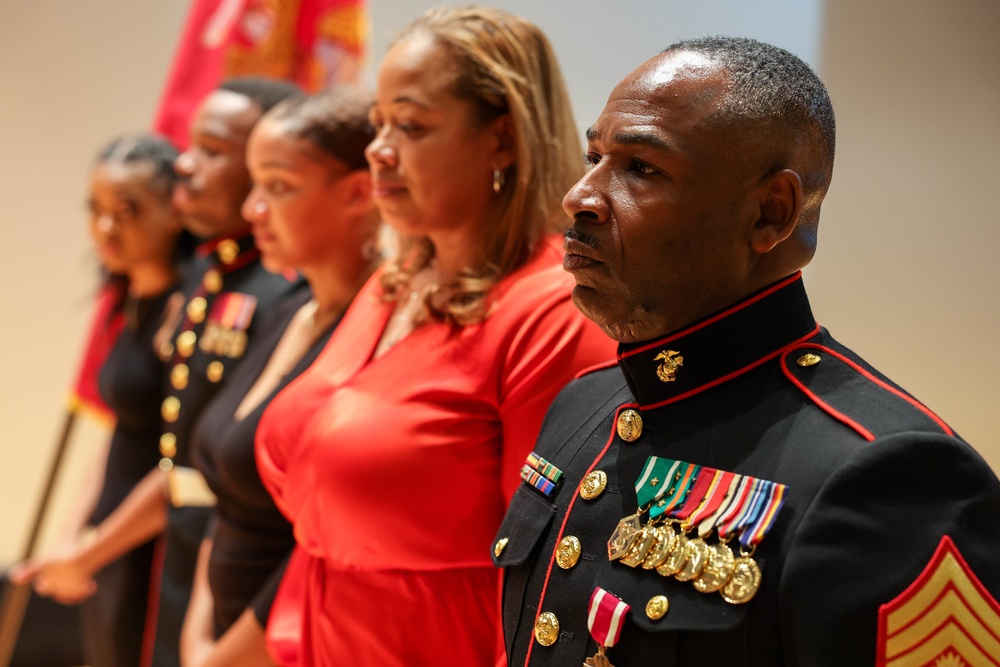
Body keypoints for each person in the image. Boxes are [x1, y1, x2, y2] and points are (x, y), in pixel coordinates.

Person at [493, 36, 1000, 666]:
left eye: (641, 168)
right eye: (594, 156)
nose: (581, 196)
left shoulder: (893, 475)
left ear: (770, 212)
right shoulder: (584, 404)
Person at [254, 7, 616, 665]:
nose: (378, 149)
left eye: (412, 126)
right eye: (379, 123)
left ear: (502, 139)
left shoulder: (550, 310)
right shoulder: (395, 279)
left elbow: (551, 572)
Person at [14, 78, 302, 667]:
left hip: (219, 557)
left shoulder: (277, 293)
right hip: (170, 539)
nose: (186, 168)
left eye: (212, 151)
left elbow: (199, 467)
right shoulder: (209, 282)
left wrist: (90, 551)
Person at [179, 86, 379, 667]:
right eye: (254, 185)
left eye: (277, 188)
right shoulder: (291, 309)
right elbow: (225, 504)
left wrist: (220, 659)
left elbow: (318, 546)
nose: (251, 210)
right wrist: (196, 643)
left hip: (291, 648)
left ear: (358, 193)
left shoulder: (378, 331)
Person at [11, 134, 185, 667]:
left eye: (127, 211)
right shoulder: (127, 300)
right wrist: (70, 539)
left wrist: (90, 551)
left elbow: (181, 461)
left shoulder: (194, 308)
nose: (107, 228)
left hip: (155, 543)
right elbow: (119, 430)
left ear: (175, 209)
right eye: (97, 210)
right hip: (106, 544)